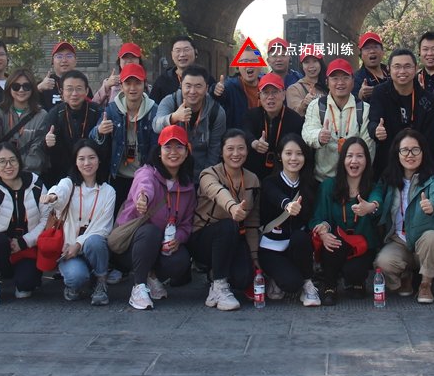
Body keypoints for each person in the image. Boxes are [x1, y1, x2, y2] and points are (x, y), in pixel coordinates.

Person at [114, 125, 196, 310]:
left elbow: (186, 224)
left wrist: (178, 238)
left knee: (181, 260)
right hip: (131, 245)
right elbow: (144, 186)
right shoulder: (147, 172)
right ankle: (139, 286)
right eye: (167, 147)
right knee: (150, 232)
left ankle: (152, 276)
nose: (173, 152)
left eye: (179, 147)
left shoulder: (188, 187)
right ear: (159, 151)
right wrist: (142, 198)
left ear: (186, 152)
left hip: (163, 246)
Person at [373, 130, 434, 304]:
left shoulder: (433, 178)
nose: (410, 155)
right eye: (404, 150)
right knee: (383, 263)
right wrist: (372, 205)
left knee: (433, 239)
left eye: (415, 150)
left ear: (423, 152)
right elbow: (376, 193)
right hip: (399, 240)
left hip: (424, 238)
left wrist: (433, 205)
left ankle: (425, 284)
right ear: (397, 153)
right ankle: (405, 276)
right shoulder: (389, 178)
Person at [188, 130, 261, 311]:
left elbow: (252, 223)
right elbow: (216, 191)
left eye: (241, 148)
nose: (236, 154)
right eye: (230, 149)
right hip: (203, 238)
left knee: (244, 278)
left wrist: (255, 259)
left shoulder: (252, 179)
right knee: (228, 225)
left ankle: (216, 273)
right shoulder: (208, 174)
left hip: (233, 238)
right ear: (221, 151)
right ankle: (219, 286)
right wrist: (232, 207)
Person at [0, 143, 51, 306]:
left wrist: (24, 242)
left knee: (26, 286)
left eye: (12, 160)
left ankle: (20, 280)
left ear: (19, 161)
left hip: (27, 247)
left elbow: (46, 219)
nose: (8, 166)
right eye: (2, 161)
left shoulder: (35, 183)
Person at [310, 138, 384, 305]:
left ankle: (356, 281)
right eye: (349, 156)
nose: (354, 161)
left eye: (360, 156)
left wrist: (370, 207)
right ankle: (329, 285)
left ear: (367, 160)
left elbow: (377, 200)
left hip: (362, 245)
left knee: (354, 273)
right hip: (336, 245)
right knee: (332, 241)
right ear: (343, 159)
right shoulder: (328, 186)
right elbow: (317, 217)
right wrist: (322, 231)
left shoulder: (373, 186)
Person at [44, 140, 116, 305]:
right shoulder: (69, 184)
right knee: (76, 277)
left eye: (91, 158)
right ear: (75, 162)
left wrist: (79, 244)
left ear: (99, 160)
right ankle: (75, 285)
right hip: (68, 249)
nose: (87, 163)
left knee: (96, 241)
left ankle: (100, 282)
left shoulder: (108, 191)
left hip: (92, 247)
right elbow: (59, 192)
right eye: (81, 159)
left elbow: (103, 228)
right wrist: (52, 196)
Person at [257, 134, 321, 305]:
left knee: (300, 237)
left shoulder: (310, 184)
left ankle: (307, 283)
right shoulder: (269, 182)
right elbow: (275, 195)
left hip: (297, 246)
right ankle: (276, 276)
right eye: (288, 153)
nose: (294, 158)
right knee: (291, 284)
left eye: (299, 154)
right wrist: (287, 204)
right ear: (280, 156)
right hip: (272, 247)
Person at [92, 62, 157, 211]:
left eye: (137, 83)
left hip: (144, 179)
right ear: (121, 86)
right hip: (118, 176)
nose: (132, 88)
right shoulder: (112, 110)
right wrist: (99, 131)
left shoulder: (154, 111)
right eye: (128, 83)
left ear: (144, 85)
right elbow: (92, 137)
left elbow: (156, 147)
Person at [368, 49, 434, 177]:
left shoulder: (428, 99)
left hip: (418, 163)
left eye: (407, 66)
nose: (402, 71)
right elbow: (373, 121)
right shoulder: (380, 93)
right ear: (389, 69)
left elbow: (430, 138)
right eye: (397, 66)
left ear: (416, 68)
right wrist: (376, 131)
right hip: (387, 163)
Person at [302, 59, 373, 181]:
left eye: (345, 78)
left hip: (355, 179)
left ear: (353, 81)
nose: (340, 82)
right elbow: (307, 132)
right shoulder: (317, 106)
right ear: (327, 82)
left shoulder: (364, 109)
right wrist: (318, 136)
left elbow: (368, 147)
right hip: (323, 179)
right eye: (335, 78)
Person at [153, 64, 227, 177]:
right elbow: (156, 126)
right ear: (181, 86)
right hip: (171, 173)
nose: (192, 91)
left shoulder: (216, 112)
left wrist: (205, 178)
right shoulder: (170, 102)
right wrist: (174, 117)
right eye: (188, 86)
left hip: (201, 174)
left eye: (198, 86)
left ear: (206, 88)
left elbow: (214, 152)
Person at [0, 68, 49, 181]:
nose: (21, 90)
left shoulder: (42, 115)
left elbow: (37, 149)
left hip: (29, 177)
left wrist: (21, 174)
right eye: (16, 86)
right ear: (9, 88)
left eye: (26, 86)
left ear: (33, 89)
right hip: (1, 175)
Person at [41, 69, 103, 189]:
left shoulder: (97, 111)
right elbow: (43, 146)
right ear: (62, 92)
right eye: (69, 89)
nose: (74, 94)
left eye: (79, 89)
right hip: (61, 175)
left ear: (86, 91)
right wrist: (47, 142)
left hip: (92, 173)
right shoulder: (55, 113)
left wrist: (101, 133)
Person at [243, 73, 303, 180]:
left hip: (284, 174)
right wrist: (254, 143)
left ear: (283, 94)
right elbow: (245, 131)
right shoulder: (251, 115)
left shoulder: (296, 120)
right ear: (259, 95)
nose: (270, 97)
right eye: (265, 93)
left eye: (275, 92)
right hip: (254, 174)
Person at [149, 36, 217, 103]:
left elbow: (216, 102)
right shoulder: (162, 80)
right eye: (178, 50)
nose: (182, 54)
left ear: (195, 52)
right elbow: (153, 106)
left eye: (186, 50)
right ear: (172, 54)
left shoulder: (206, 77)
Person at [37, 41, 94, 110]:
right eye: (59, 56)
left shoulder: (81, 84)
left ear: (76, 61)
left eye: (69, 56)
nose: (64, 60)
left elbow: (91, 108)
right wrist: (38, 89)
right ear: (52, 61)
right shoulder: (43, 85)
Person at [217, 47, 262, 130]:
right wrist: (215, 92)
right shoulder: (229, 87)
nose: (249, 65)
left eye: (254, 61)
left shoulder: (268, 86)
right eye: (245, 61)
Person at [286, 51, 327, 115]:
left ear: (321, 63)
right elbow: (293, 116)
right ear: (301, 65)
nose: (311, 66)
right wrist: (303, 104)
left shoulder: (329, 85)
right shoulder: (294, 89)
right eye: (307, 62)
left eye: (315, 61)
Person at [354, 32, 389, 102]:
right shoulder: (356, 79)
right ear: (361, 55)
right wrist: (360, 96)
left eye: (375, 47)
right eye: (367, 48)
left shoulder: (391, 72)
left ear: (382, 52)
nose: (372, 51)